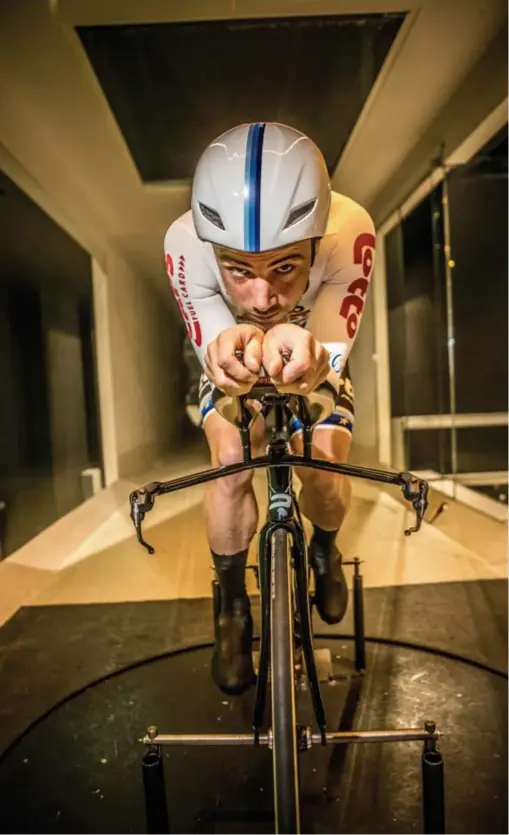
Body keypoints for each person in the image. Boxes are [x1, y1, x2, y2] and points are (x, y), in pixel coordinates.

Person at [164, 122, 376, 696]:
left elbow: (329, 352)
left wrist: (314, 372)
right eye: (238, 270)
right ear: (213, 251)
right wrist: (237, 370)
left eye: (285, 267)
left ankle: (324, 547)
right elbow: (214, 350)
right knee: (232, 453)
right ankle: (233, 607)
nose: (263, 299)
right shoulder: (184, 243)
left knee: (323, 465)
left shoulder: (350, 230)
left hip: (316, 350)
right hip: (231, 354)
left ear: (315, 241)